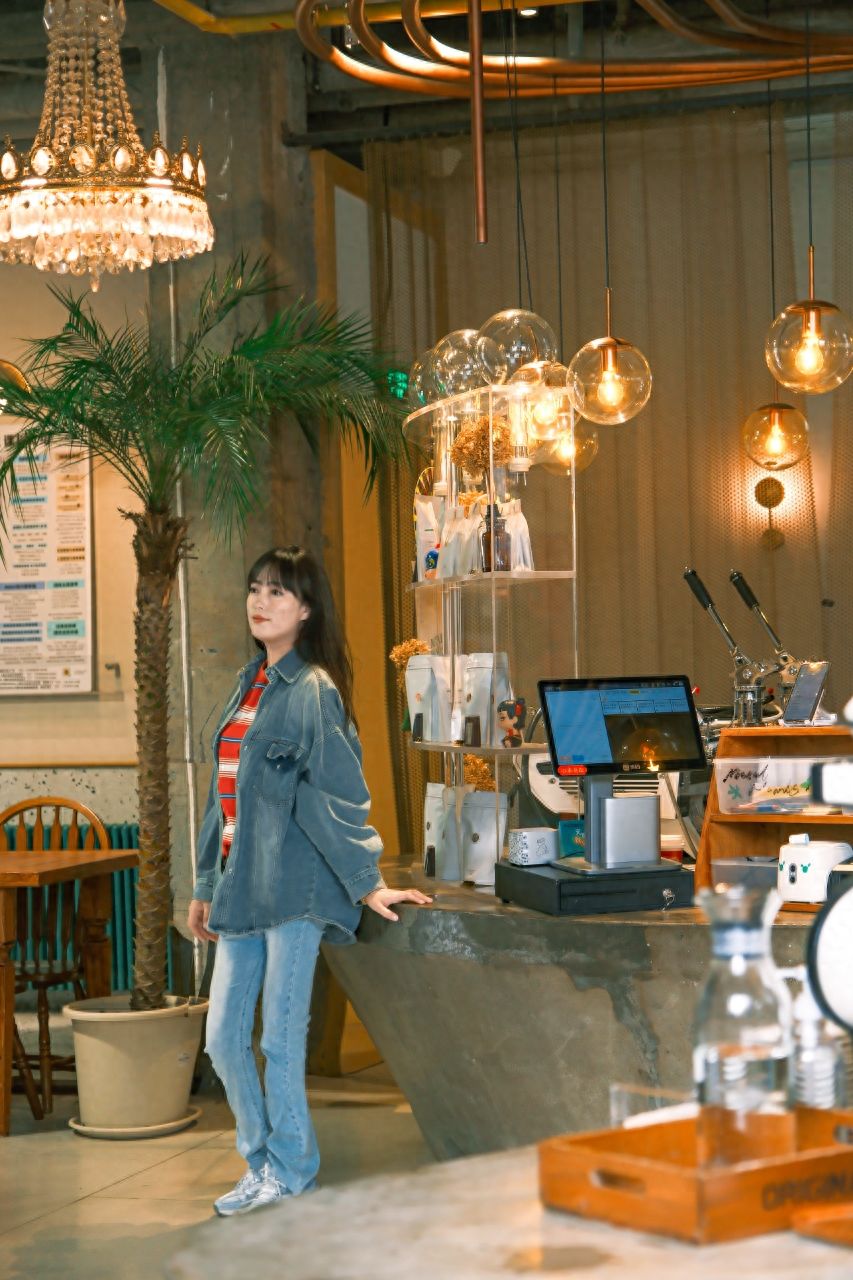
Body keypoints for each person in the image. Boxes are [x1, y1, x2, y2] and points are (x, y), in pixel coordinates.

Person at [188, 546, 431, 1217]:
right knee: (222, 1039)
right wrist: (204, 882)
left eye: (279, 593)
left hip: (294, 893)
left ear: (307, 609)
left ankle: (290, 1172)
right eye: (255, 588)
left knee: (277, 1038)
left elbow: (336, 800)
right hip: (240, 888)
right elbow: (221, 798)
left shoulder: (314, 693)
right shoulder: (249, 684)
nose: (261, 602)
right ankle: (259, 1160)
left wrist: (366, 885)